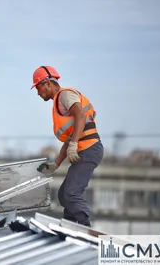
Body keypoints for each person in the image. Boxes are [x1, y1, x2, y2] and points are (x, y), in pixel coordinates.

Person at [32, 65, 104, 227]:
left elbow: (80, 114)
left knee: (72, 193)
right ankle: (70, 226)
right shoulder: (59, 102)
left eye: (38, 87)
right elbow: (70, 136)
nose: (37, 93)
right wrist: (56, 164)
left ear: (48, 83)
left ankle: (85, 228)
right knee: (65, 194)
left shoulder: (64, 95)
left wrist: (74, 144)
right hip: (84, 149)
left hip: (89, 149)